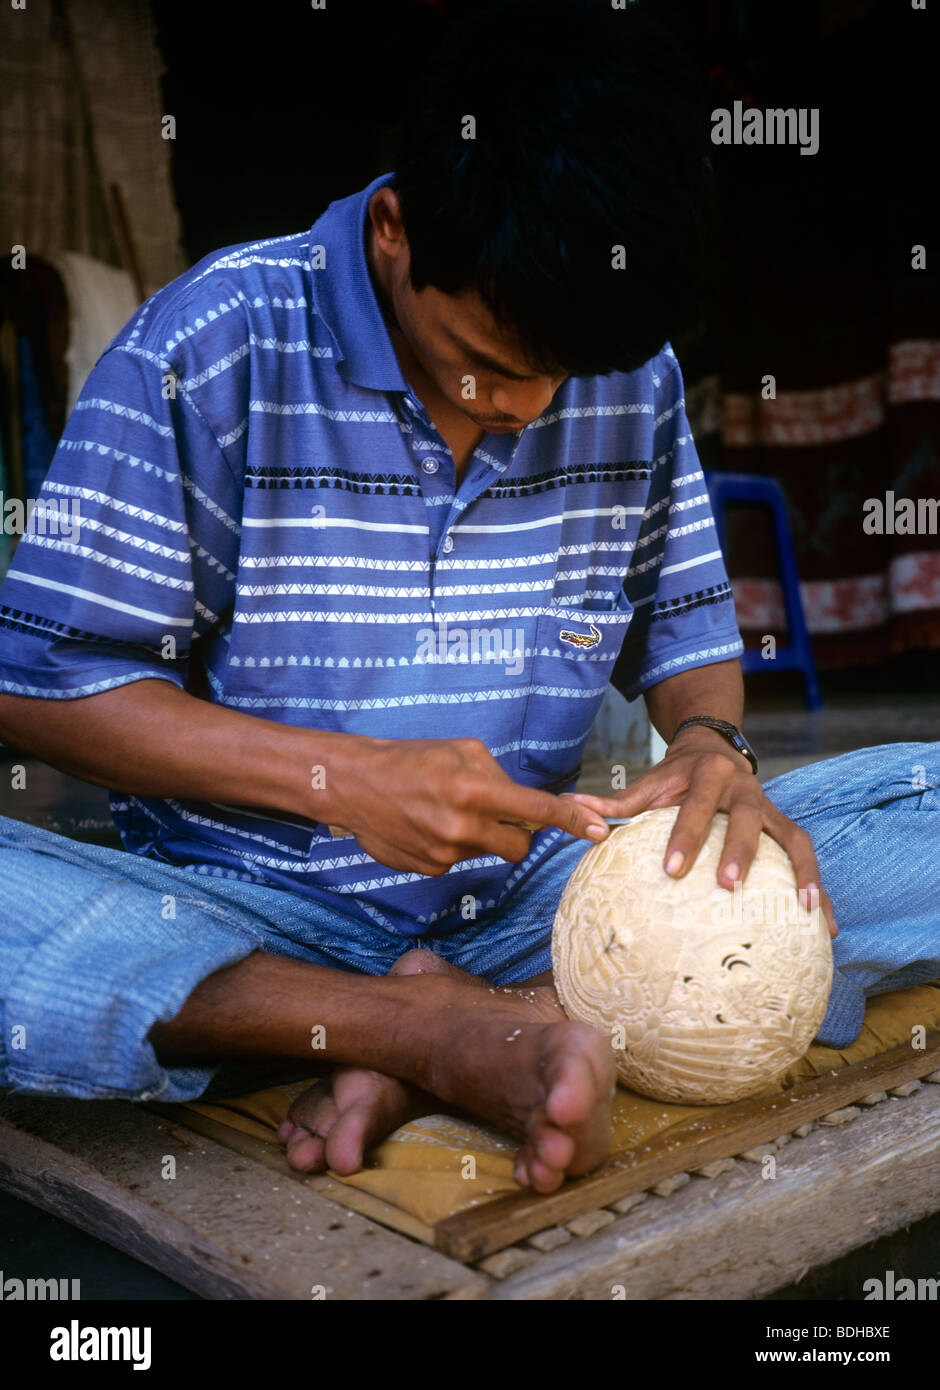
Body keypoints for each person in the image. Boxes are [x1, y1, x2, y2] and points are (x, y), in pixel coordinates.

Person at [0, 1, 935, 1196]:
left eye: (559, 377)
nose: (526, 411)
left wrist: (710, 740)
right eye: (484, 364)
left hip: (543, 908)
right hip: (236, 914)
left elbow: (689, 630)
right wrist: (341, 779)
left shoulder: (624, 372)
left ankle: (488, 1013)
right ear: (394, 229)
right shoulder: (209, 346)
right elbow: (36, 688)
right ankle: (404, 1029)